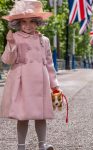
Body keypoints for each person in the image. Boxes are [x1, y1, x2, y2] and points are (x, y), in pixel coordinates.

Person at [0, 0, 61, 150]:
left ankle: (42, 145)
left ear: (38, 22)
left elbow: (49, 64)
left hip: (40, 82)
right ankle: (21, 146)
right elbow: (8, 60)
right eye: (24, 22)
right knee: (23, 116)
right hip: (22, 82)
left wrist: (55, 85)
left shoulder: (44, 40)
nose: (28, 25)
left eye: (32, 21)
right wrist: (11, 44)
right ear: (17, 23)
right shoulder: (15, 38)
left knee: (41, 115)